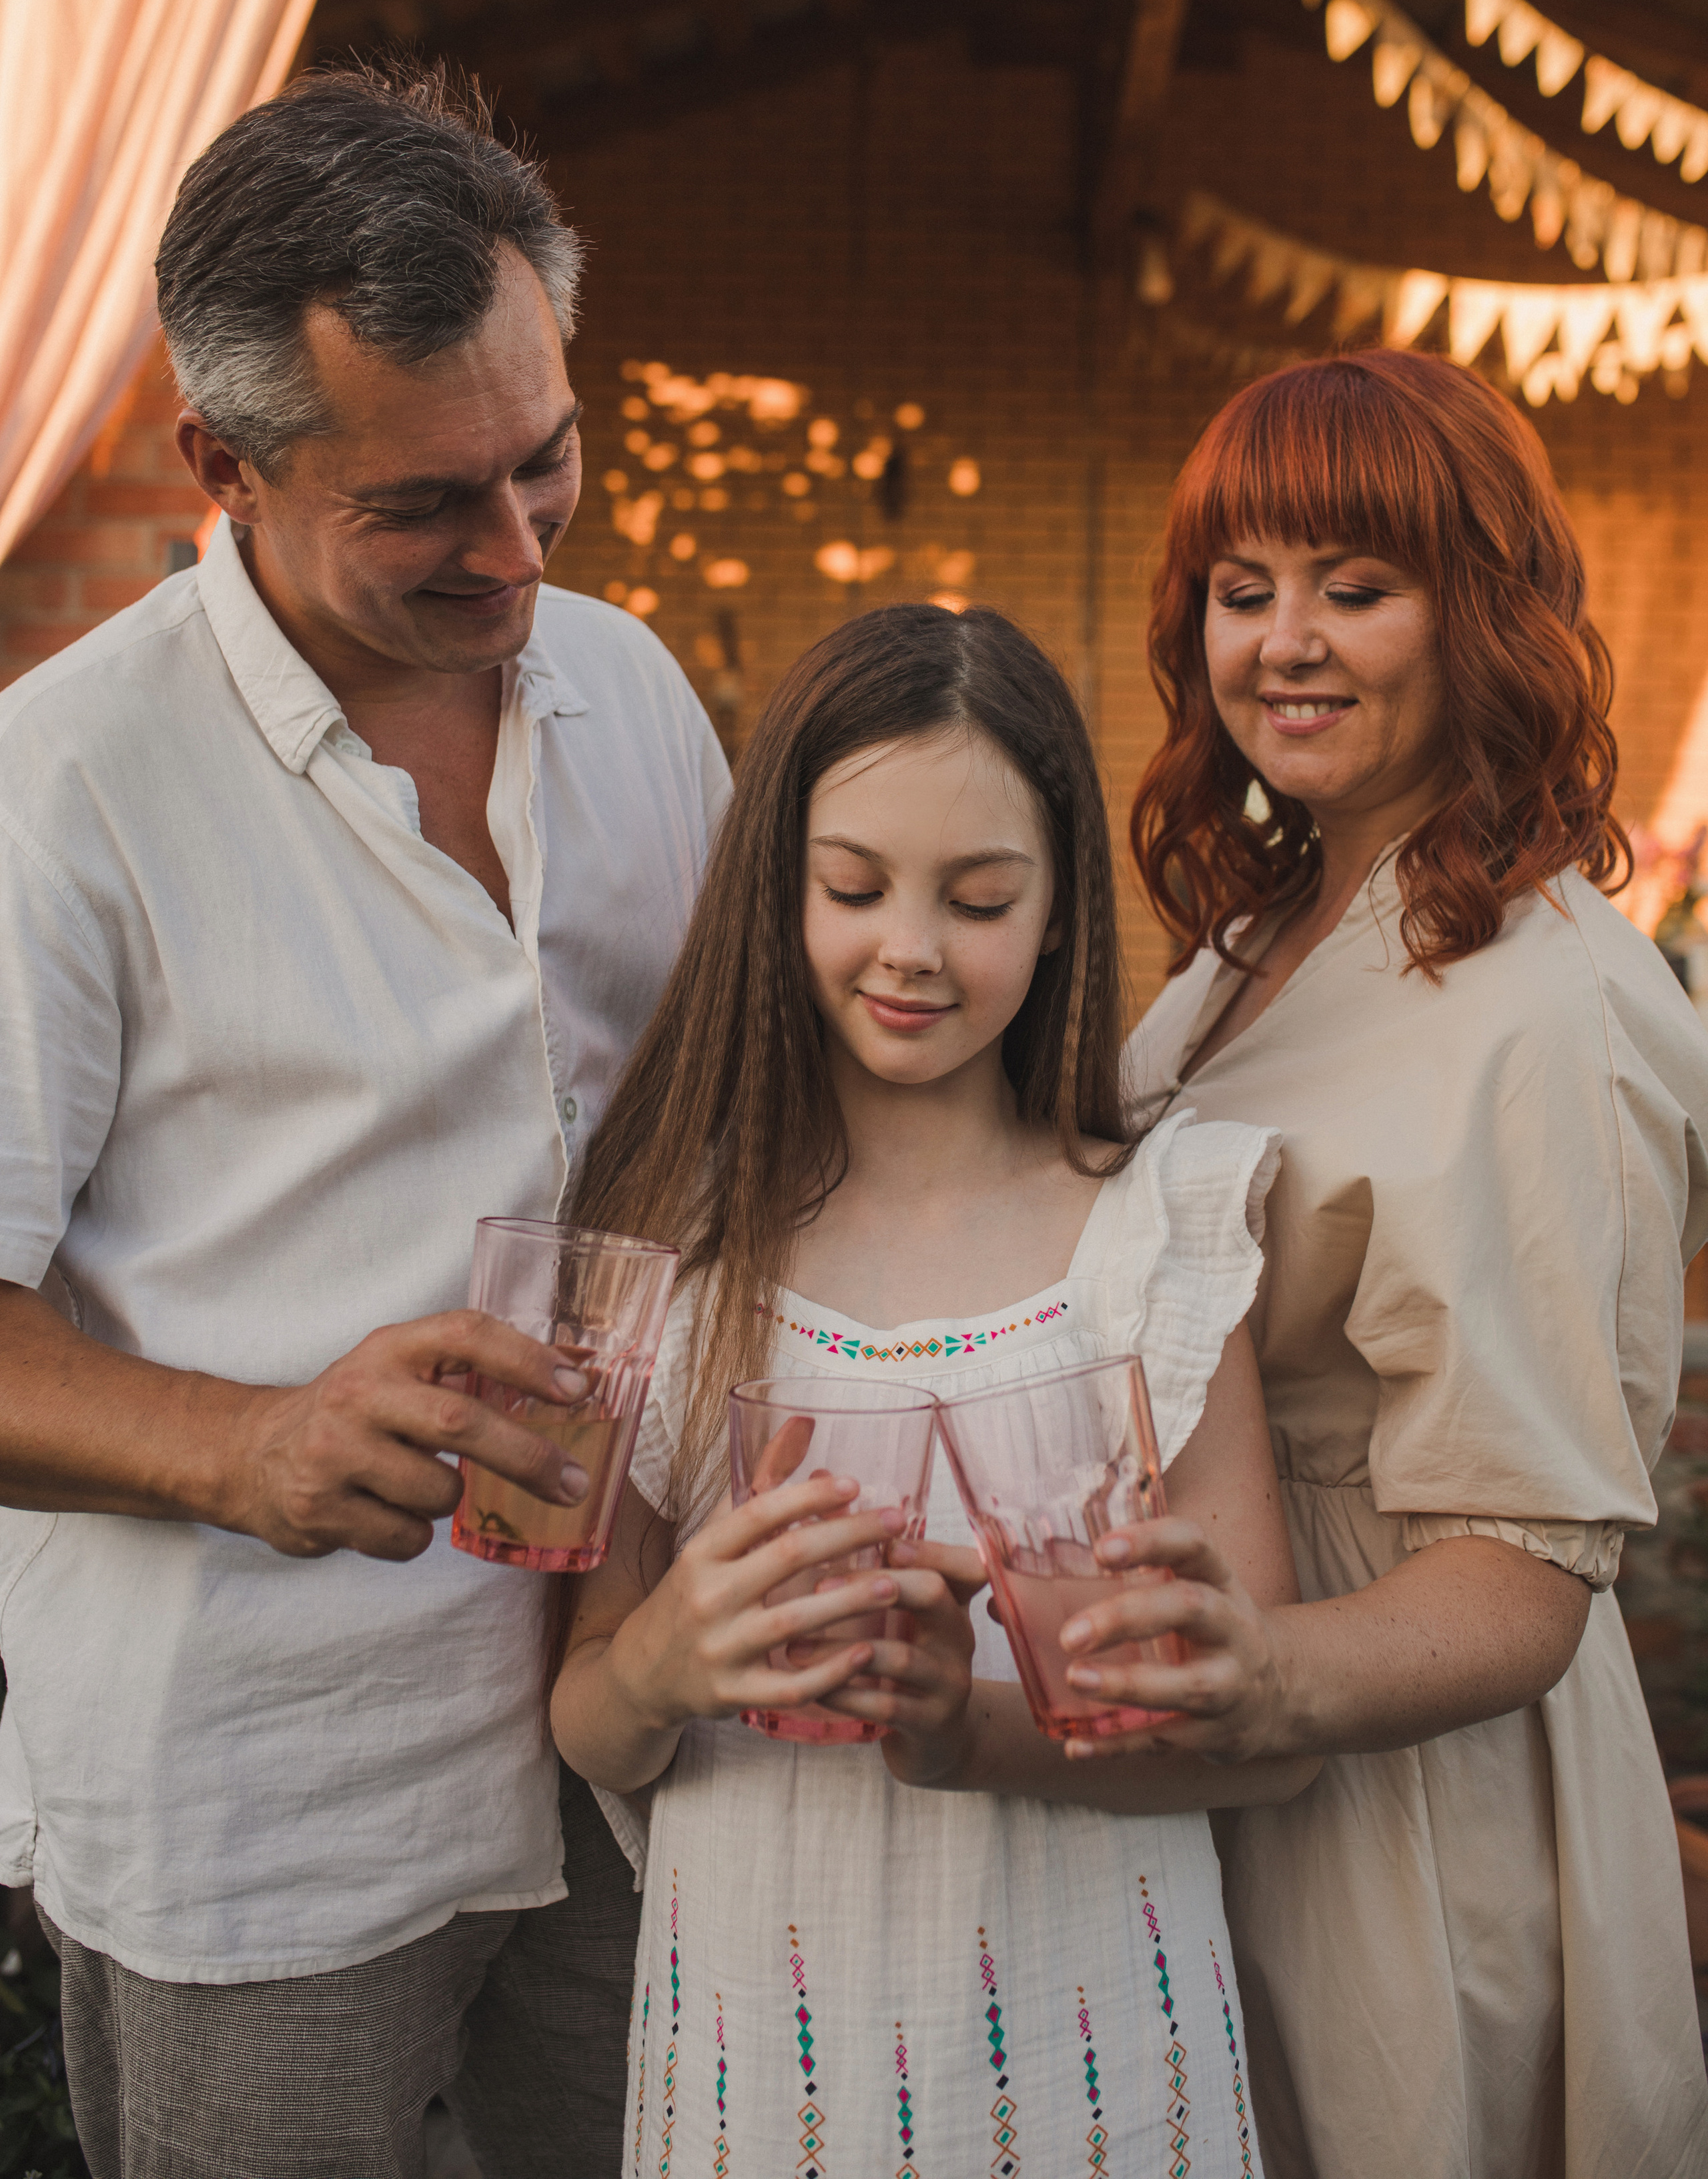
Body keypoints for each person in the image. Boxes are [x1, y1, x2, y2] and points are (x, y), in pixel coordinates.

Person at [0, 64, 728, 2179]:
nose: (517, 547)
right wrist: (250, 1443)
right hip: (268, 1796)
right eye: (423, 504)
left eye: (546, 456)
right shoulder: (58, 789)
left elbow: (738, 1133)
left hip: (634, 1722)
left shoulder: (636, 692)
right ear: (219, 462)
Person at [550, 601, 1320, 2175]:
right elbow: (587, 1718)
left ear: (1058, 915)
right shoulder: (674, 1248)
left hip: (1092, 2058)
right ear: (773, 890)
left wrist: (965, 1727)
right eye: (851, 888)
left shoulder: (1152, 1238)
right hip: (765, 2063)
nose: (907, 947)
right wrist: (662, 1667)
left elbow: (1271, 1738)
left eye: (976, 900)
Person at [1049, 350, 1708, 2178]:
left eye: (1355, 587)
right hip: (1213, 1720)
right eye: (1241, 589)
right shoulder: (1261, 925)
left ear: (1482, 609)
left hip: (1398, 1803)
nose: (1286, 644)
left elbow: (1522, 1578)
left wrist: (1253, 1679)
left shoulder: (1546, 1007)